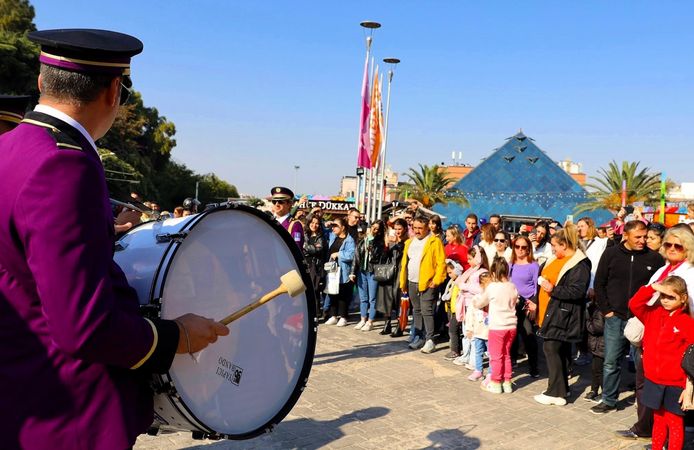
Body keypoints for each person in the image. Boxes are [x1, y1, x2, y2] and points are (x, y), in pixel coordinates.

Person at [0, 29, 228, 450]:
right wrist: (177, 335)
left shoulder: (8, 148)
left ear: (40, 82)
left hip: (18, 390)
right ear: (113, 93)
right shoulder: (65, 166)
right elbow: (82, 328)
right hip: (68, 414)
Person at [615, 225, 694, 441]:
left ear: (687, 247)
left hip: (674, 353)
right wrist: (654, 289)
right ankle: (645, 428)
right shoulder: (664, 269)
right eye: (668, 243)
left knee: (673, 418)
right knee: (650, 399)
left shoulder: (690, 272)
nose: (671, 248)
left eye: (678, 245)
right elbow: (639, 301)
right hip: (653, 343)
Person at [592, 220, 664, 415]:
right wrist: (607, 310)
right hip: (615, 317)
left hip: (641, 319)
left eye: (645, 236)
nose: (643, 241)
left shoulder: (655, 258)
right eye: (638, 237)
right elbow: (599, 283)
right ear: (626, 236)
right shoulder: (611, 254)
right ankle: (609, 399)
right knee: (611, 360)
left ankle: (645, 402)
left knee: (642, 363)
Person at [629, 276, 694, 450]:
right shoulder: (652, 313)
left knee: (674, 422)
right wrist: (653, 287)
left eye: (671, 297)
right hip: (653, 379)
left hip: (675, 383)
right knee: (658, 419)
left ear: (683, 298)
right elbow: (634, 304)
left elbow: (692, 358)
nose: (665, 300)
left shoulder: (687, 322)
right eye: (662, 296)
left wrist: (688, 387)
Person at [534, 224, 591, 406]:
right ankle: (561, 388)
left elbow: (577, 291)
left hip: (562, 314)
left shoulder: (579, 264)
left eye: (555, 245)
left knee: (552, 349)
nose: (553, 248)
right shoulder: (554, 259)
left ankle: (555, 392)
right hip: (550, 311)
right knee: (556, 350)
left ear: (565, 245)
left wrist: (553, 289)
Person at [400, 216, 447, 353]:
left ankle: (430, 339)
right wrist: (403, 281)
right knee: (416, 310)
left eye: (420, 228)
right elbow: (405, 263)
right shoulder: (409, 242)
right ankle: (419, 336)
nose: (417, 231)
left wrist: (436, 280)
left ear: (427, 227)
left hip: (428, 283)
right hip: (412, 281)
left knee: (427, 311)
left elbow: (441, 263)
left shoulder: (434, 241)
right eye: (415, 228)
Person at [474, 258, 519, 394]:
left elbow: (480, 302)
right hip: (511, 326)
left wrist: (475, 301)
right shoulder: (512, 286)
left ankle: (495, 382)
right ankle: (507, 382)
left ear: (493, 272)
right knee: (506, 354)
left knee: (496, 356)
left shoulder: (492, 287)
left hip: (497, 327)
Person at [509, 235, 540, 378]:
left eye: (523, 247)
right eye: (517, 246)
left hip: (526, 304)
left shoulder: (533, 265)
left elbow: (536, 286)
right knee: (511, 334)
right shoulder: (510, 264)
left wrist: (534, 304)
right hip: (511, 304)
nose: (520, 250)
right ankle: (512, 360)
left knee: (528, 334)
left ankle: (534, 366)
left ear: (528, 249)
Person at [454, 246, 490, 368]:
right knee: (466, 331)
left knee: (475, 334)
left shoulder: (483, 272)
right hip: (466, 304)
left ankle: (475, 360)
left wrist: (465, 286)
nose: (468, 261)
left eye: (470, 259)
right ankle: (466, 354)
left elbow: (481, 289)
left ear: (478, 258)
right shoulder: (471, 271)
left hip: (475, 306)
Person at [354, 220, 386, 332]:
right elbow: (356, 256)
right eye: (373, 227)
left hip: (372, 271)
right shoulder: (363, 239)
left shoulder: (379, 242)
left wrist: (372, 248)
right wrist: (353, 271)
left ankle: (370, 321)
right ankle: (363, 319)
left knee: (372, 298)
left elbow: (380, 256)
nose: (374, 230)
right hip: (362, 270)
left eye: (377, 228)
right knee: (363, 297)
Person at [324, 217, 356, 327]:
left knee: (342, 294)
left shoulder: (349, 240)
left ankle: (343, 317)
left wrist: (339, 254)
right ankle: (333, 316)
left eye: (336, 226)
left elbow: (351, 255)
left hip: (343, 270)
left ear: (342, 227)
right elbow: (325, 230)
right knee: (332, 292)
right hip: (332, 270)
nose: (333, 228)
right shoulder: (333, 236)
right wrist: (328, 224)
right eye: (333, 226)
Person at [378, 218, 408, 336]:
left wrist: (397, 243)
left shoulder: (407, 241)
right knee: (387, 298)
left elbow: (402, 254)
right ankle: (387, 324)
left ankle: (399, 326)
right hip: (390, 272)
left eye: (399, 229)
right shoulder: (391, 241)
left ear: (405, 229)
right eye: (395, 229)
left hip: (401, 272)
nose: (397, 231)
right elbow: (385, 256)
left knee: (399, 300)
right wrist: (386, 245)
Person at [466, 272, 492, 381]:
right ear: (480, 285)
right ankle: (478, 370)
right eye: (485, 283)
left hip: (490, 332)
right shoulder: (476, 298)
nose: (487, 286)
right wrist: (469, 328)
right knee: (478, 352)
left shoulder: (493, 298)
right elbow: (470, 314)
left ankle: (491, 373)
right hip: (478, 331)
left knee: (491, 354)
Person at [304, 213, 327, 320]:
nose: (314, 225)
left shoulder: (320, 237)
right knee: (306, 289)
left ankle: (316, 314)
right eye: (312, 222)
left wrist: (307, 248)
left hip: (315, 266)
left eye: (317, 223)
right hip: (305, 264)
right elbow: (304, 247)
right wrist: (311, 248)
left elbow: (318, 249)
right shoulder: (305, 235)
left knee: (314, 290)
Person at [441, 259, 465, 361]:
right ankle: (457, 349)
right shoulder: (452, 282)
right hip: (451, 310)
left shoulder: (460, 282)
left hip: (457, 311)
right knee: (453, 330)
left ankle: (455, 351)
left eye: (450, 272)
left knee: (453, 330)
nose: (449, 275)